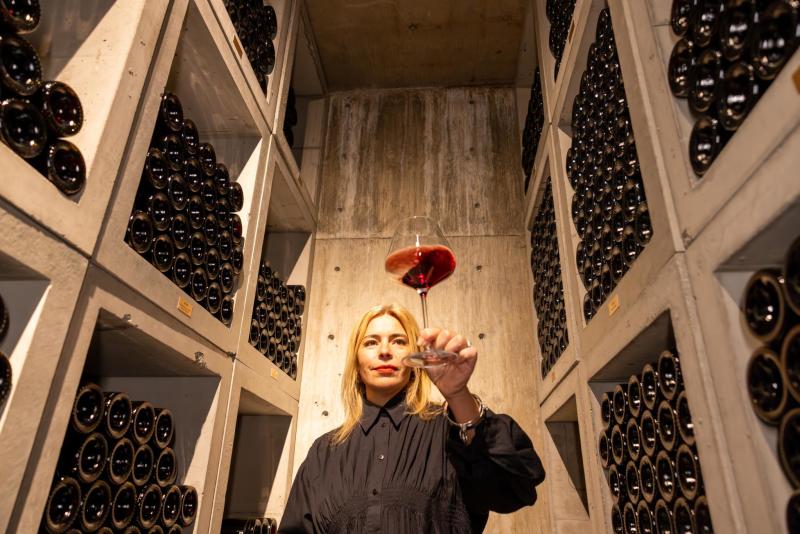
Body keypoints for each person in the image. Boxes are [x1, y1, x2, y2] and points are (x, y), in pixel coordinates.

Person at [278, 303, 545, 533]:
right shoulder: (324, 452)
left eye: (399, 341)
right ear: (356, 365)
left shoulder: (448, 430)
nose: (384, 351)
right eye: (371, 342)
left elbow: (515, 489)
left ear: (415, 362)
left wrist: (458, 393)